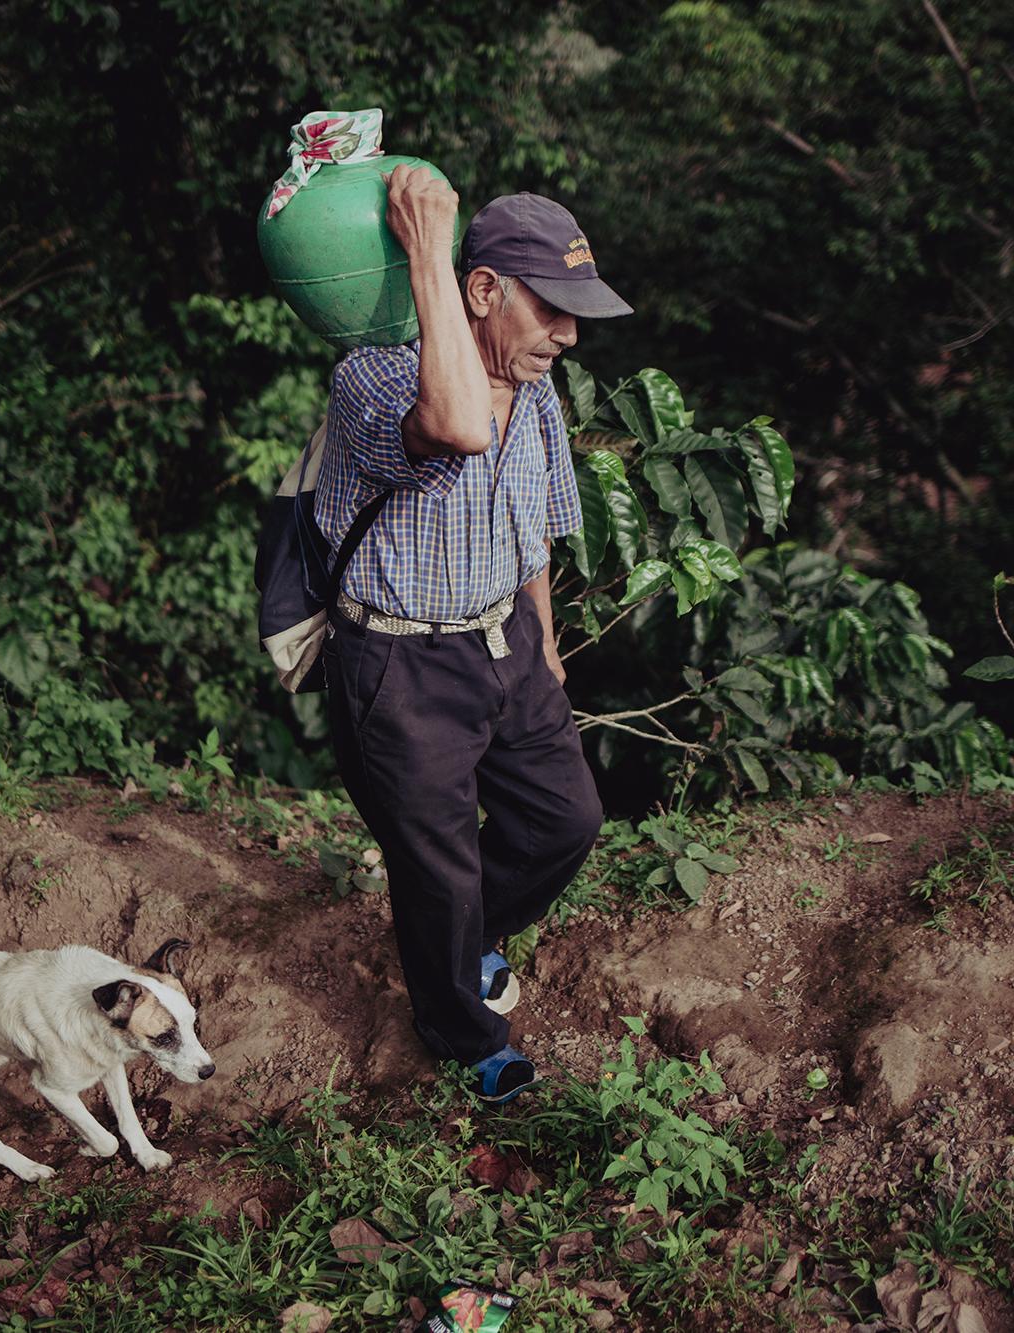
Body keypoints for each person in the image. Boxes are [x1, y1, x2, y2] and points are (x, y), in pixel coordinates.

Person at [315, 169, 632, 1102]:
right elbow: (453, 424)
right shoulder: (371, 379)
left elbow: (531, 526)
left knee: (566, 821)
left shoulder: (534, 393)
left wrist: (544, 644)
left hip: (508, 643)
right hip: (402, 665)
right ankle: (462, 1027)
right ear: (481, 291)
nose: (567, 337)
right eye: (553, 311)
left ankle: (461, 939)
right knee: (439, 862)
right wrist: (430, 253)